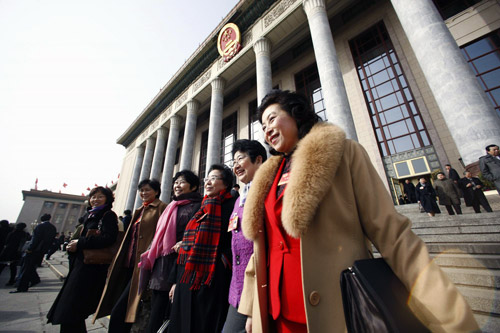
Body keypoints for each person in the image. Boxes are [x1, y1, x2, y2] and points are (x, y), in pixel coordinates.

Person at [238, 90, 477, 332]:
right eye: (262, 125)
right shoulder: (268, 177)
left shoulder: (345, 153)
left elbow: (393, 235)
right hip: (275, 315)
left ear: (296, 115)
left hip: (337, 311)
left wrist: (451, 315)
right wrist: (250, 309)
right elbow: (262, 248)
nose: (266, 130)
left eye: (272, 119)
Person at [168, 164, 237, 333]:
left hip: (212, 276)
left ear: (226, 183)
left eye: (214, 178)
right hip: (187, 274)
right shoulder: (201, 206)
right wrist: (175, 281)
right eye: (207, 179)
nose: (208, 182)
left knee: (205, 322)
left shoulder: (232, 205)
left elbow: (235, 240)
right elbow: (187, 240)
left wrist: (223, 260)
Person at [94, 179, 167, 333]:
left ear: (156, 191)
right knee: (123, 311)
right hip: (128, 265)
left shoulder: (161, 208)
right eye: (141, 190)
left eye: (148, 190)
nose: (144, 193)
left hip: (142, 266)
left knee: (119, 313)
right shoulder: (140, 210)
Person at [47, 187, 119, 333]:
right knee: (72, 311)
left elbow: (109, 238)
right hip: (79, 265)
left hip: (91, 268)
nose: (95, 200)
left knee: (70, 309)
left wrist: (80, 243)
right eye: (93, 197)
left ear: (108, 199)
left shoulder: (108, 215)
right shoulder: (90, 215)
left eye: (100, 197)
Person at [139, 170, 202, 333]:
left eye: (182, 182)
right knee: (156, 311)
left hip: (178, 265)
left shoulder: (197, 206)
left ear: (193, 186)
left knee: (164, 315)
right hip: (161, 265)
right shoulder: (172, 206)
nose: (177, 186)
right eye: (176, 182)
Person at [223, 140, 267, 333]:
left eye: (241, 158)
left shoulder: (269, 192)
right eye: (234, 161)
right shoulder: (239, 200)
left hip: (261, 286)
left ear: (258, 160)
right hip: (238, 288)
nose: (236, 166)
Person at [11, 213, 56, 293]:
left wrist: (30, 248)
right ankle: (35, 279)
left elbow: (36, 239)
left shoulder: (40, 226)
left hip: (34, 250)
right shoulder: (53, 228)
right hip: (42, 251)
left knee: (26, 268)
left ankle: (22, 287)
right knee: (31, 267)